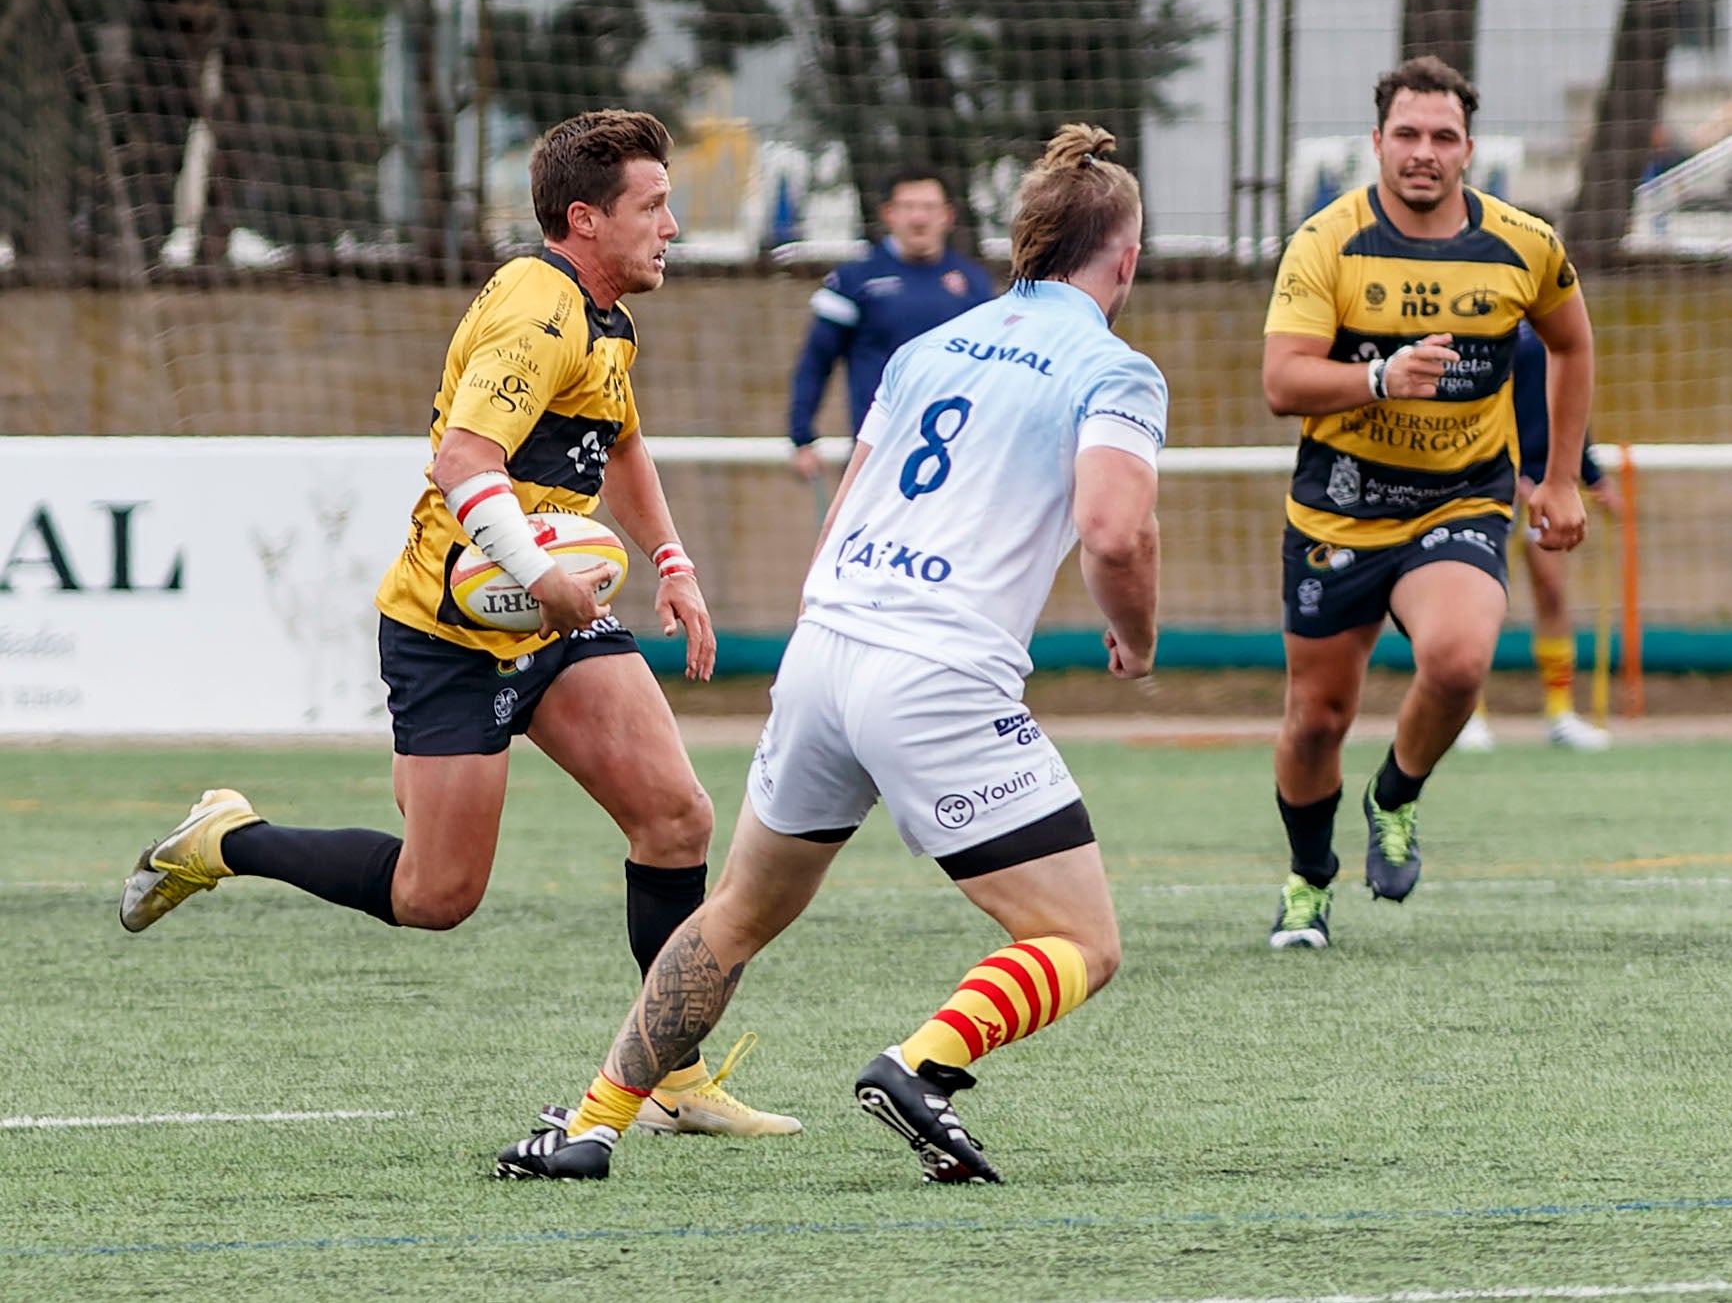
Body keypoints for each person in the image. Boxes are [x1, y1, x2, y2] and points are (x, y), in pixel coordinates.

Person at [495, 122, 1165, 1184]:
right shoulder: (1113, 369)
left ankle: (590, 1122)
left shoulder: (927, 347)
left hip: (828, 644)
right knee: (1082, 942)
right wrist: (1133, 630)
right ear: (1122, 258)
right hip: (935, 672)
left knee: (738, 913)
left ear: (1020, 247)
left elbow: (846, 503)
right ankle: (922, 1065)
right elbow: (1119, 530)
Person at [119, 110, 797, 1138]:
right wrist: (542, 572)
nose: (673, 228)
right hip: (454, 624)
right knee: (435, 894)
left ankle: (670, 1074)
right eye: (654, 207)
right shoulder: (540, 310)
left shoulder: (606, 315)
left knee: (676, 819)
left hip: (552, 613)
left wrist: (672, 564)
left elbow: (621, 444)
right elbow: (463, 462)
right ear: (585, 218)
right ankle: (226, 838)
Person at [1261, 56, 1595, 951]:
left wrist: (1559, 477)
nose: (1424, 153)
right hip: (1338, 511)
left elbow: (1573, 341)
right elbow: (1282, 382)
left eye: (1443, 137)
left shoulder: (1524, 244)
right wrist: (1378, 374)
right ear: (1377, 144)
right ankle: (1307, 881)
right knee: (1316, 718)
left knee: (1456, 660)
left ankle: (1394, 796)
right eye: (1407, 135)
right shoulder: (1325, 242)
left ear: (1468, 151)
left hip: (1461, 499)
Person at [1453, 318, 1623, 754]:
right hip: (1483, 483)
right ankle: (1467, 714)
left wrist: (1591, 476)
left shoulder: (1555, 319)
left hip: (1542, 481)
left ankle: (1560, 714)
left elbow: (1569, 401)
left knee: (1551, 592)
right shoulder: (1480, 317)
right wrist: (1501, 472)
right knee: (1476, 598)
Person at [787, 167, 994, 481]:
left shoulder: (975, 285)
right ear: (888, 214)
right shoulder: (854, 280)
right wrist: (802, 436)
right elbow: (816, 361)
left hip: (960, 460)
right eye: (909, 207)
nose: (919, 218)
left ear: (948, 216)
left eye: (928, 208)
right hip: (877, 458)